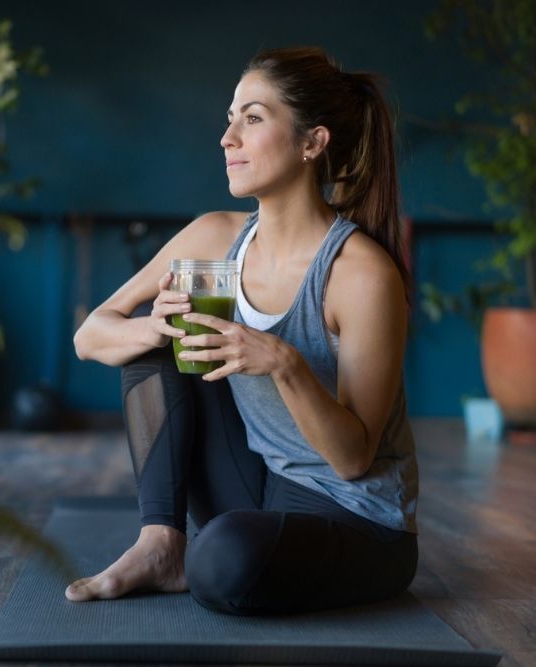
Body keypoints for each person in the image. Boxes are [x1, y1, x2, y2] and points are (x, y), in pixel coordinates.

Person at [65, 46, 418, 615]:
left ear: (312, 142)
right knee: (153, 347)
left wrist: (284, 364)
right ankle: (161, 544)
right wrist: (154, 330)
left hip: (355, 517)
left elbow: (354, 459)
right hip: (260, 482)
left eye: (252, 118)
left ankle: (207, 555)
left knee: (225, 562)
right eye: (230, 119)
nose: (228, 138)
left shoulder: (359, 275)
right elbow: (91, 335)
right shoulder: (213, 238)